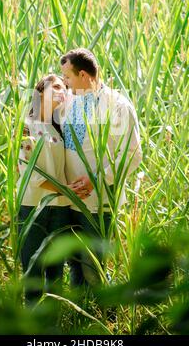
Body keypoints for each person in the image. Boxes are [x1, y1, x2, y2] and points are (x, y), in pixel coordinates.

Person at [59, 48, 143, 290]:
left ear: (84, 75)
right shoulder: (70, 100)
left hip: (99, 200)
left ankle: (101, 316)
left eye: (68, 77)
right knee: (74, 262)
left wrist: (96, 179)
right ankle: (80, 316)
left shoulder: (117, 106)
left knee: (92, 265)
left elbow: (132, 155)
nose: (64, 82)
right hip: (69, 198)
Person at [17, 74, 74, 305]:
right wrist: (66, 190)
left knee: (56, 271)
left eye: (65, 88)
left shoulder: (59, 129)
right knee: (33, 268)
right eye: (57, 86)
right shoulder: (26, 126)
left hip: (59, 207)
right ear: (41, 92)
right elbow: (30, 172)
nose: (62, 91)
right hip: (34, 206)